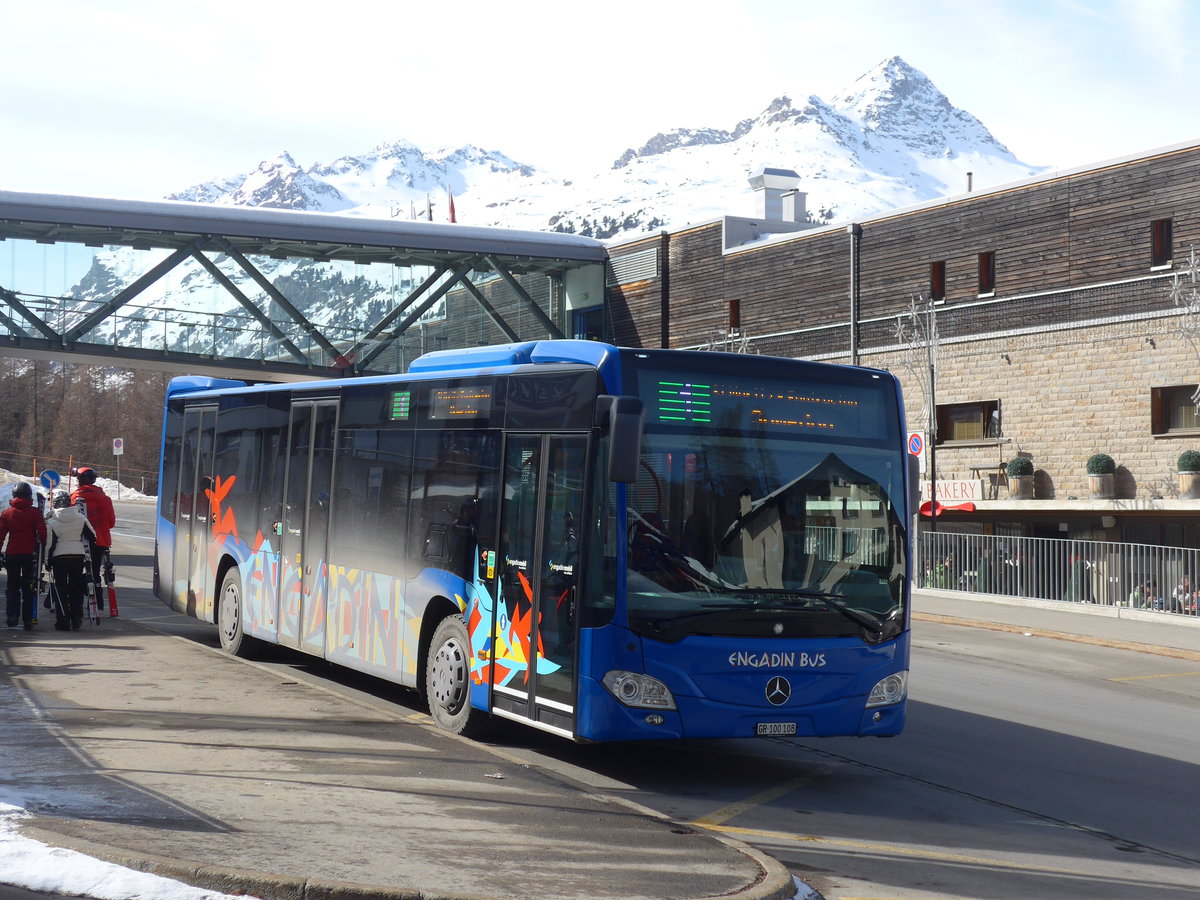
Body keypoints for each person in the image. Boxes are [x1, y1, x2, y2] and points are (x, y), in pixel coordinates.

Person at [0, 482, 49, 629]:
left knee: (12, 586)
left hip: (12, 554)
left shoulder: (7, 513)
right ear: (29, 495)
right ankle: (28, 619)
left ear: (14, 495)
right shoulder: (35, 512)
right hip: (29, 554)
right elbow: (42, 532)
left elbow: (1, 535)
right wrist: (42, 547)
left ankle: (12, 615)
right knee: (29, 586)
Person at [45, 493, 94, 630]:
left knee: (60, 588)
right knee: (76, 588)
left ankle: (63, 620)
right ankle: (77, 618)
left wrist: (47, 562)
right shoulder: (80, 517)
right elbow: (92, 536)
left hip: (59, 558)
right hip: (77, 556)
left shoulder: (51, 521)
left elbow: (50, 544)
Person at [71, 466, 116, 594]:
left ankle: (76, 602)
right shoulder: (105, 499)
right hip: (100, 541)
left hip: (80, 541)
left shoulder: (74, 498)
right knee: (95, 571)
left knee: (77, 571)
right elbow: (111, 523)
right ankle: (97, 597)